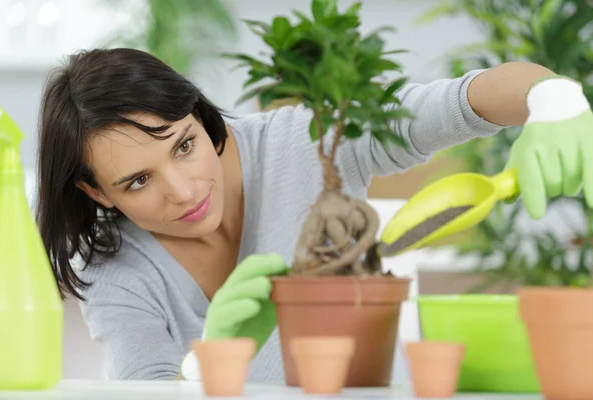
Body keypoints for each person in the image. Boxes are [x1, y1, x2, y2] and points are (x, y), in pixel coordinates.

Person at [35, 47, 593, 381]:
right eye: (138, 181)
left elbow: (458, 104)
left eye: (183, 145)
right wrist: (208, 363)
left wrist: (553, 98)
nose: (182, 192)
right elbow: (146, 389)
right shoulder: (116, 273)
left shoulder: (306, 143)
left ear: (198, 115)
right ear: (97, 192)